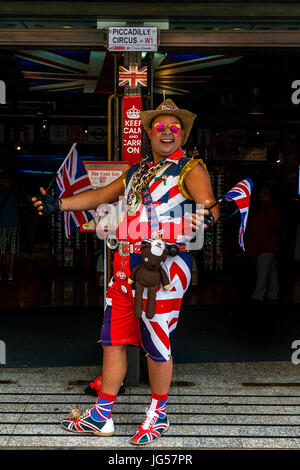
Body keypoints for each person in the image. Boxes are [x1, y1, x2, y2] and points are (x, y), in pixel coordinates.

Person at [32, 99, 220, 445]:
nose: (167, 132)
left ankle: (157, 414)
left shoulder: (190, 168)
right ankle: (102, 415)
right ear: (149, 131)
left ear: (182, 133)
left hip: (162, 268)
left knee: (157, 343)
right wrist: (58, 204)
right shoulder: (138, 171)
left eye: (174, 128)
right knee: (113, 339)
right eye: (160, 127)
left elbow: (209, 206)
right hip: (124, 267)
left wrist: (205, 216)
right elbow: (103, 195)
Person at [247, 182, 281, 302]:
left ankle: (259, 294)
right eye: (261, 192)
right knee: (271, 271)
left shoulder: (268, 209)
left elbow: (275, 225)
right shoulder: (266, 208)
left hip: (265, 245)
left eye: (265, 193)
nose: (262, 195)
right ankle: (272, 294)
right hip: (269, 245)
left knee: (263, 270)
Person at [0, 176, 20, 281]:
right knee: (12, 250)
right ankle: (10, 273)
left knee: (2, 249)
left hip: (2, 224)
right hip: (14, 224)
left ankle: (1, 272)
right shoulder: (12, 195)